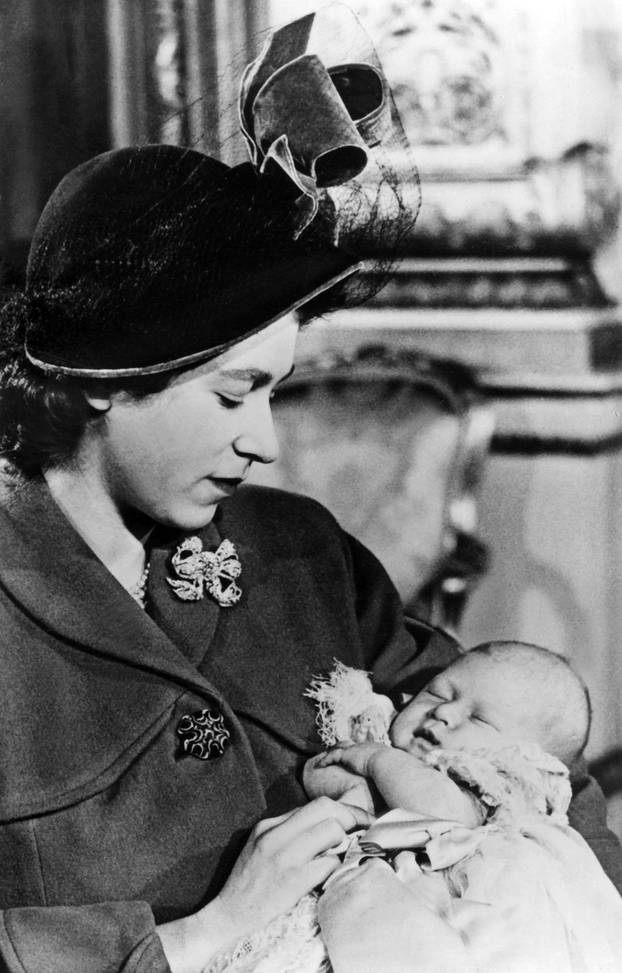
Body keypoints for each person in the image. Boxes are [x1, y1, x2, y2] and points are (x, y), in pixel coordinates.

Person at [0, 8, 619, 973]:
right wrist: (194, 935)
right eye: (234, 394)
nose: (265, 441)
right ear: (104, 384)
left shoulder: (301, 555)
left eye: (276, 389)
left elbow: (534, 767)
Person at [299, 643, 622, 973]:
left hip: (481, 911)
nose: (443, 712)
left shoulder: (494, 782)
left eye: (479, 719)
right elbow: (319, 779)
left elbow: (441, 811)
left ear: (525, 756)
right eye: (436, 693)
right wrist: (349, 783)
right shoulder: (383, 735)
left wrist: (375, 760)